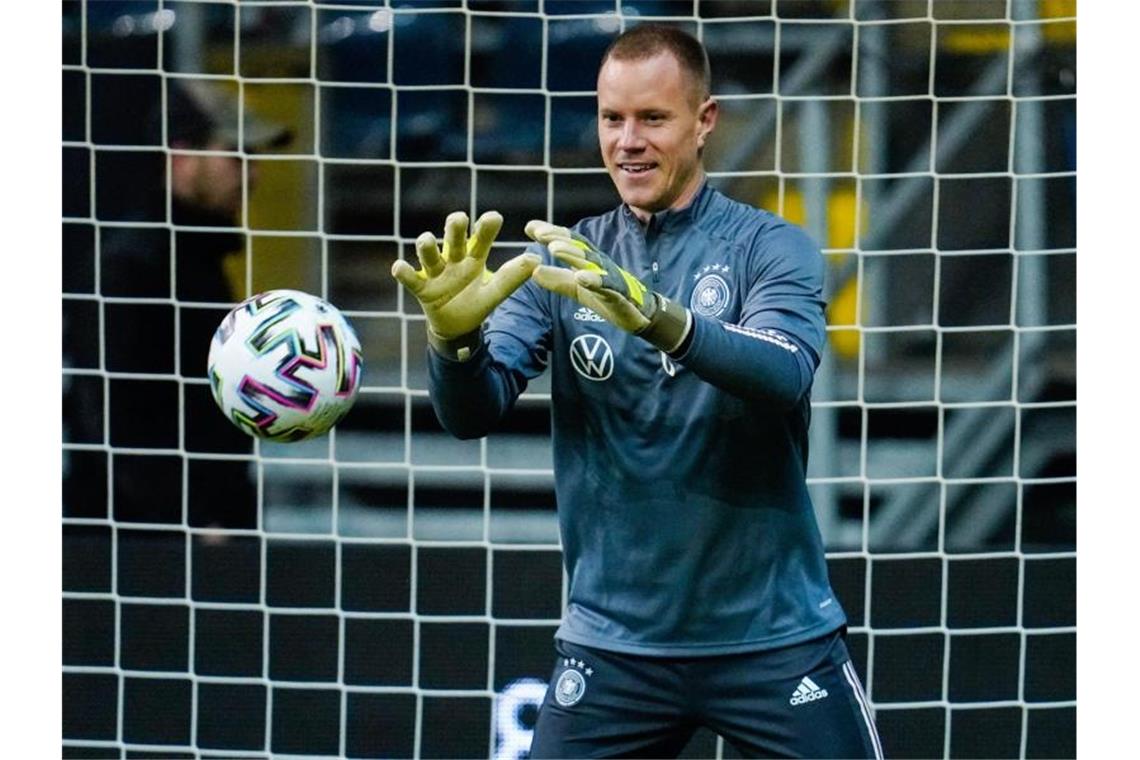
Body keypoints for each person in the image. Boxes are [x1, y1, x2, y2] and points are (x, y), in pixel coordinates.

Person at [391, 25, 883, 759]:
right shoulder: (562, 264)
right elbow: (472, 415)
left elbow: (783, 374)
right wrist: (453, 343)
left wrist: (659, 319)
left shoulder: (770, 247)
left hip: (770, 635)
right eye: (611, 118)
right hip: (615, 645)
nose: (627, 141)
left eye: (652, 118)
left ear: (704, 120)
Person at [63, 80, 291, 528]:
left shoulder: (198, 260)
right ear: (181, 153)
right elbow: (109, 424)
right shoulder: (129, 266)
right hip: (140, 550)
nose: (252, 175)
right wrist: (194, 525)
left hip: (205, 535)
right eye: (237, 155)